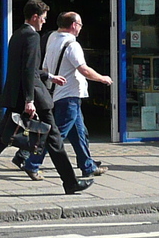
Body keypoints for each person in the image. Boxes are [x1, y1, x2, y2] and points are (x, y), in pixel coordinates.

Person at [0, 0, 92, 198]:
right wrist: (29, 100)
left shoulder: (17, 35)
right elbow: (26, 70)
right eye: (42, 19)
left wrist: (49, 77)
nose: (43, 22)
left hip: (17, 96)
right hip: (31, 97)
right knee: (54, 138)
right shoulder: (32, 36)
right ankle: (70, 182)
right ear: (34, 17)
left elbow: (28, 69)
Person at [23, 11, 111, 179]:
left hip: (61, 95)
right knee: (56, 136)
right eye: (80, 25)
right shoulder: (72, 45)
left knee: (79, 133)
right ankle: (32, 163)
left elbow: (46, 68)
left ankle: (88, 166)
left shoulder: (53, 39)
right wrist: (102, 78)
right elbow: (83, 69)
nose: (80, 28)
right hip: (69, 96)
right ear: (73, 25)